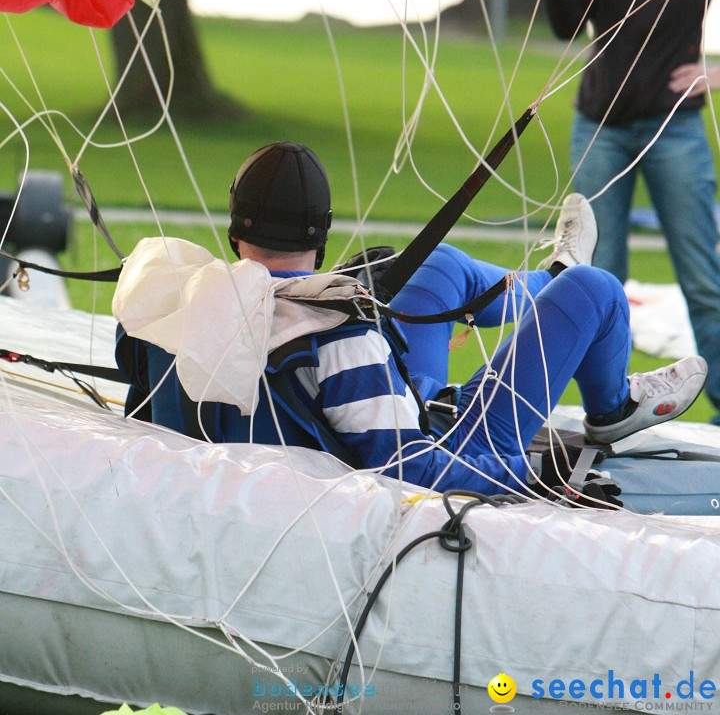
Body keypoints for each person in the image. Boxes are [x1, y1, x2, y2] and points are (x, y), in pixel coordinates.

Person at [115, 141, 707, 503]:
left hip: (379, 402)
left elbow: (140, 400)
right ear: (319, 239)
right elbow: (408, 466)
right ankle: (612, 406)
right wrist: (528, 474)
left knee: (439, 265)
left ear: (235, 230)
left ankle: (547, 278)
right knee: (596, 291)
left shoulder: (165, 303)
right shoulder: (336, 334)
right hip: (457, 444)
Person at [526, 0, 720, 422]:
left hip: (676, 131)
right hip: (601, 129)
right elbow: (562, 22)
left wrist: (716, 73)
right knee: (597, 280)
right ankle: (608, 409)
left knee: (703, 278)